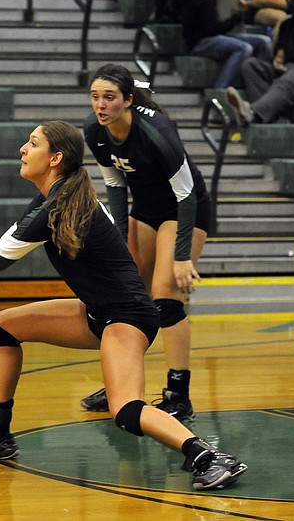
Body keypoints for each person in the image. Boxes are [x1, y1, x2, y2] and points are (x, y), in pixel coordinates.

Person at [0, 120, 247, 491]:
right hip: (98, 312)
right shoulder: (52, 200)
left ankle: (208, 456)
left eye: (32, 144)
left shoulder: (58, 207)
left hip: (126, 318)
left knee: (124, 410)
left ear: (55, 158)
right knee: (4, 326)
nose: (22, 150)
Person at [79, 64, 212, 421]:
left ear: (128, 100)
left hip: (185, 209)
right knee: (125, 294)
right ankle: (120, 386)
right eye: (95, 97)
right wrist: (119, 243)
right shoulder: (96, 133)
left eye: (109, 97)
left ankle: (178, 394)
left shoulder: (156, 132)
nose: (101, 105)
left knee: (164, 295)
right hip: (148, 209)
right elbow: (116, 188)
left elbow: (186, 196)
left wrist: (182, 257)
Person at [225, 0, 294, 126]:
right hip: (287, 69)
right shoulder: (285, 24)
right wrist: (277, 62)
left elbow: (269, 3)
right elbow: (279, 56)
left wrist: (250, 4)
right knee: (251, 66)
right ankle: (273, 118)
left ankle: (252, 112)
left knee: (288, 80)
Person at [173, 0, 271, 88]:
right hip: (199, 41)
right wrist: (235, 18)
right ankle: (219, 89)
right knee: (243, 48)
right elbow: (213, 29)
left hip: (210, 36)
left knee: (264, 41)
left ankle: (259, 85)